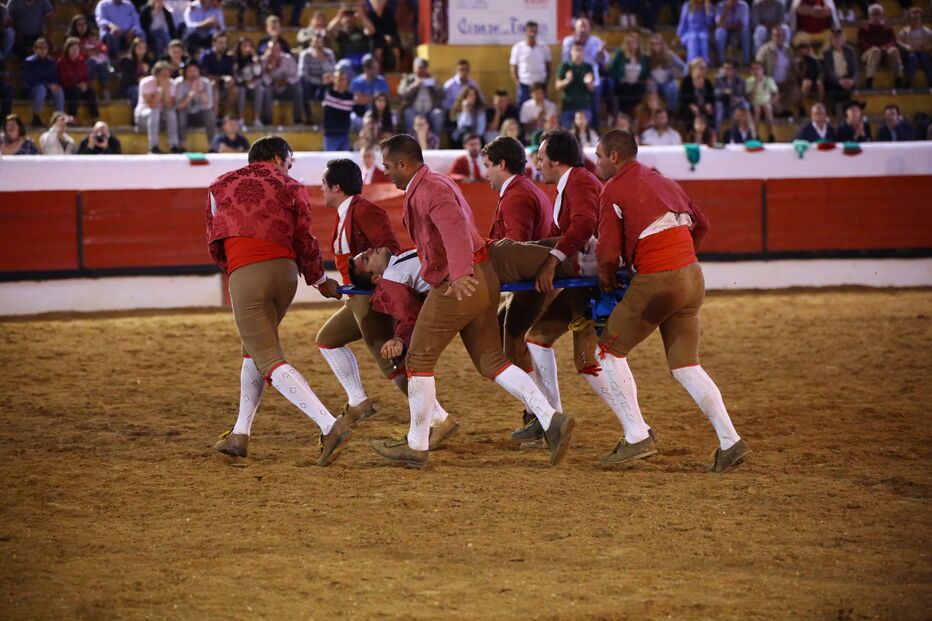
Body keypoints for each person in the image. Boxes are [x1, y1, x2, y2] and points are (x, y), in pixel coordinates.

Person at [370, 134, 576, 468]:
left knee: (419, 357)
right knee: (491, 361)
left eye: (389, 166)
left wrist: (461, 272)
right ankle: (551, 418)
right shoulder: (436, 184)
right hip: (481, 277)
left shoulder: (430, 189)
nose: (387, 172)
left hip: (458, 282)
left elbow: (453, 228)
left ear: (404, 164)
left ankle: (416, 444)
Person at [593, 129, 748, 473]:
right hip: (693, 276)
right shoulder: (665, 182)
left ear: (615, 157)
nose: (597, 162)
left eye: (599, 156)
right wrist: (682, 259)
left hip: (659, 279)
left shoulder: (613, 190)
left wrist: (606, 278)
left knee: (606, 351)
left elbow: (606, 252)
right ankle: (729, 440)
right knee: (687, 365)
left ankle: (636, 436)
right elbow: (702, 224)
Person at [208, 136, 350, 464]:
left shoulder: (219, 185)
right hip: (285, 275)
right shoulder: (292, 186)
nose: (291, 165)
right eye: (289, 159)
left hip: (247, 271)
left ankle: (330, 425)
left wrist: (237, 272)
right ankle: (240, 433)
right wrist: (317, 279)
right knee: (253, 350)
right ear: (275, 158)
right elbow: (304, 237)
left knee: (268, 356)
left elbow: (213, 239)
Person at [510, 128, 601, 445]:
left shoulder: (581, 181)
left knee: (590, 361)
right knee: (537, 339)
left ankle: (638, 430)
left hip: (596, 285)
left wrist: (550, 260)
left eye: (541, 157)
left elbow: (584, 226)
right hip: (584, 282)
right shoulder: (572, 184)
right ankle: (553, 422)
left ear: (557, 160)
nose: (537, 164)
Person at [314, 157, 406, 426]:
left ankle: (437, 417)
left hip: (370, 299)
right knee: (327, 340)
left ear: (337, 187)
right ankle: (357, 400)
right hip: (356, 298)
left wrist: (383, 295)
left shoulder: (365, 211)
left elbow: (389, 249)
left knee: (390, 362)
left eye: (323, 184)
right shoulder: (349, 212)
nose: (320, 188)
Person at [481, 135, 554, 377]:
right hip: (535, 279)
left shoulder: (516, 196)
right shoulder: (522, 190)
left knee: (512, 341)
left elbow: (516, 248)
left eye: (487, 166)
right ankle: (540, 408)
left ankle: (539, 410)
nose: (486, 174)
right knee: (505, 330)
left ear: (501, 164)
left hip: (532, 282)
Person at [560, 18, 607, 126]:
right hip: (574, 80)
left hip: (592, 80)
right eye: (580, 26)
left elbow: (605, 60)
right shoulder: (569, 41)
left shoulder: (596, 41)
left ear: (589, 28)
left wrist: (601, 53)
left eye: (585, 26)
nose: (583, 29)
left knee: (594, 111)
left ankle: (593, 135)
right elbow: (565, 60)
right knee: (573, 114)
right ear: (575, 28)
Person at [135, 60, 181, 153]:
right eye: (163, 75)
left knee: (171, 113)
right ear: (156, 75)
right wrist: (160, 89)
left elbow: (169, 105)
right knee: (154, 112)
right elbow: (152, 105)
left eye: (168, 75)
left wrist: (166, 90)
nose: (166, 78)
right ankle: (153, 147)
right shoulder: (146, 83)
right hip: (143, 116)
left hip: (161, 118)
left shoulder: (171, 84)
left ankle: (174, 145)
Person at [756, 26, 800, 117]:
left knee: (796, 92)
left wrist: (793, 80)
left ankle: (781, 110)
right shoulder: (764, 50)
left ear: (784, 37)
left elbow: (793, 68)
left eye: (781, 35)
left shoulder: (788, 50)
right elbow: (758, 68)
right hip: (769, 84)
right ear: (772, 37)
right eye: (776, 35)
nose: (779, 37)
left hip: (784, 83)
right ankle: (780, 112)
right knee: (768, 95)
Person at [857, 4, 903, 89]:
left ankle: (898, 79)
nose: (876, 17)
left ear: (882, 15)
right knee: (875, 51)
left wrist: (886, 47)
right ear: (869, 15)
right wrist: (873, 47)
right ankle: (869, 80)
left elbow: (893, 40)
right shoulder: (863, 28)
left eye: (878, 14)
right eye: (873, 14)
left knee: (894, 50)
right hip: (869, 53)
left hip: (885, 51)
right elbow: (861, 43)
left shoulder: (888, 28)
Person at [68, 15, 112, 102]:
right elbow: (77, 53)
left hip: (95, 62)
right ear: (75, 26)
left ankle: (105, 91)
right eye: (79, 25)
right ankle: (90, 91)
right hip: (78, 64)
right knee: (91, 62)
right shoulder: (71, 39)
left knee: (102, 64)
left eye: (84, 24)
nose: (82, 27)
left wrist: (95, 50)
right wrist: (89, 52)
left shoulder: (91, 37)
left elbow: (103, 49)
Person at [174, 59, 216, 150]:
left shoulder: (205, 82)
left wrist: (201, 91)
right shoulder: (178, 82)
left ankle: (212, 145)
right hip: (185, 115)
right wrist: (191, 93)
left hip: (200, 115)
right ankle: (182, 145)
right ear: (185, 72)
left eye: (195, 70)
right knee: (181, 114)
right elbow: (178, 105)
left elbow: (208, 105)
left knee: (210, 114)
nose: (192, 73)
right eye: (189, 70)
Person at [22, 38, 63, 128]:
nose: (42, 50)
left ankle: (59, 118)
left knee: (58, 89)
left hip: (48, 90)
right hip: (32, 90)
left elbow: (55, 77)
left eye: (44, 48)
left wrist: (54, 85)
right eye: (40, 48)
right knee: (41, 89)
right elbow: (29, 80)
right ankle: (36, 117)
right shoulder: (29, 62)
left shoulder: (51, 62)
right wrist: (47, 85)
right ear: (35, 49)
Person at [398, 57, 444, 135]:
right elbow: (402, 95)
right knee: (408, 112)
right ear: (414, 67)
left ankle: (436, 140)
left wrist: (437, 87)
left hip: (429, 112)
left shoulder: (432, 80)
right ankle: (410, 139)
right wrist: (414, 86)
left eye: (424, 68)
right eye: (420, 67)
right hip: (414, 112)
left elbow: (441, 96)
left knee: (438, 114)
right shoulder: (408, 80)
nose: (422, 70)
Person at [58, 37, 100, 123]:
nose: (75, 51)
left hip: (80, 87)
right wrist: (76, 85)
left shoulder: (81, 61)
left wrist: (85, 84)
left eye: (77, 48)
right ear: (67, 49)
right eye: (72, 48)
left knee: (91, 92)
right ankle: (73, 118)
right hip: (67, 88)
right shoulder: (62, 61)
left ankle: (95, 118)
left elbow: (85, 77)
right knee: (75, 92)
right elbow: (63, 79)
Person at [556, 40, 596, 129]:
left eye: (581, 50)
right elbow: (557, 86)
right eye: (576, 50)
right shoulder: (565, 66)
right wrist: (567, 80)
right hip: (568, 108)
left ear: (584, 52)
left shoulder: (588, 67)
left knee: (584, 135)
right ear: (571, 51)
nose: (578, 53)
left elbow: (592, 89)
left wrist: (588, 83)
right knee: (566, 137)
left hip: (584, 107)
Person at [510, 20, 551, 107]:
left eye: (535, 31)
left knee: (542, 109)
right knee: (522, 109)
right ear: (525, 32)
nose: (533, 33)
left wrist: (545, 84)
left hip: (541, 84)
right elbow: (513, 69)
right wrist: (519, 84)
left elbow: (549, 68)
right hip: (525, 85)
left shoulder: (544, 47)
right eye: (530, 31)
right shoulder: (518, 47)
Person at [199, 32, 238, 121]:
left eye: (224, 43)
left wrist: (230, 80)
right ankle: (214, 117)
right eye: (220, 43)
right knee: (214, 85)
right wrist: (222, 78)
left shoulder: (228, 58)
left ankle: (225, 116)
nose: (223, 45)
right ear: (214, 43)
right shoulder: (206, 56)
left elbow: (231, 75)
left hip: (223, 85)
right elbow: (206, 75)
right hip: (207, 86)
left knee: (235, 90)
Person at [263, 40, 304, 125]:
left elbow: (296, 76)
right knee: (266, 90)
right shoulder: (263, 60)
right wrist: (272, 66)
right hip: (272, 89)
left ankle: (298, 118)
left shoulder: (288, 58)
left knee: (298, 88)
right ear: (267, 50)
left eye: (276, 50)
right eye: (272, 50)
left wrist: (284, 82)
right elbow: (263, 78)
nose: (274, 53)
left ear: (280, 50)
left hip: (286, 89)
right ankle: (268, 120)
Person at [297, 33, 335, 125]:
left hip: (326, 83)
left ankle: (329, 118)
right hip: (311, 83)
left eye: (320, 42)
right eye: (316, 42)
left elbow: (333, 71)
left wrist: (323, 60)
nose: (318, 45)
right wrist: (319, 81)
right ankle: (308, 116)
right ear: (311, 43)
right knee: (302, 84)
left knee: (334, 85)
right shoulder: (305, 54)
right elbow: (303, 74)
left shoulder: (329, 53)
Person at [609, 32, 649, 117]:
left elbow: (646, 72)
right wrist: (620, 77)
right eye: (629, 42)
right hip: (624, 82)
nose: (631, 45)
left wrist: (643, 79)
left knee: (640, 89)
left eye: (633, 42)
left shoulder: (644, 57)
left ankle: (629, 113)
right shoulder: (620, 54)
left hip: (637, 82)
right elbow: (612, 69)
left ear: (638, 44)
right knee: (625, 88)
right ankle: (624, 113)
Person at [234, 37, 271, 127]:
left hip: (253, 87)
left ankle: (256, 119)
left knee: (259, 88)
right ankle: (241, 119)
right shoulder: (236, 60)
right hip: (242, 86)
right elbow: (236, 77)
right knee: (241, 90)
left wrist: (255, 57)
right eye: (245, 46)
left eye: (250, 46)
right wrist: (244, 82)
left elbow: (258, 73)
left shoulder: (254, 59)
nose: (248, 48)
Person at [327, 4, 374, 72]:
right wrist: (339, 16)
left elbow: (371, 30)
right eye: (345, 17)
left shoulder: (361, 29)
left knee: (369, 59)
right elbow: (330, 29)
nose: (348, 19)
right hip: (348, 58)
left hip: (363, 56)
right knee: (342, 64)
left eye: (350, 17)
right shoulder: (340, 32)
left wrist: (362, 16)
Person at [822, 28, 859, 116]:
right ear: (831, 40)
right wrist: (838, 81)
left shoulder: (850, 51)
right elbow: (828, 71)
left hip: (847, 79)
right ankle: (837, 110)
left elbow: (855, 68)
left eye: (839, 38)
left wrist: (852, 80)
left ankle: (849, 111)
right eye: (834, 39)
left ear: (843, 39)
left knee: (848, 90)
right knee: (835, 91)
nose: (837, 41)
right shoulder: (827, 53)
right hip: (834, 81)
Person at [647, 33, 687, 110]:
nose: (655, 46)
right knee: (650, 88)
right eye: (653, 44)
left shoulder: (670, 55)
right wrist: (647, 79)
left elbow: (684, 67)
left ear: (662, 44)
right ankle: (652, 112)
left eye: (658, 44)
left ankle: (671, 111)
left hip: (667, 81)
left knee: (671, 88)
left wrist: (681, 74)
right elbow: (644, 71)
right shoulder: (648, 57)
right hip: (654, 81)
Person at [349, 57, 388, 131]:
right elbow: (360, 100)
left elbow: (383, 98)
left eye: (377, 68)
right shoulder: (356, 82)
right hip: (360, 113)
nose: (378, 71)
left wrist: (367, 98)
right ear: (366, 69)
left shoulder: (382, 80)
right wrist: (375, 98)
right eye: (375, 68)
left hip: (379, 113)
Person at [899, 7, 932, 89]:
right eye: (912, 18)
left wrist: (928, 47)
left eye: (917, 18)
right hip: (910, 54)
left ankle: (931, 80)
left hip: (923, 52)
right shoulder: (905, 31)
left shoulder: (927, 31)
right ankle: (908, 82)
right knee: (912, 57)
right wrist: (906, 46)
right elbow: (898, 42)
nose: (915, 20)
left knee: (925, 58)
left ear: (921, 19)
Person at [746, 60, 778, 141]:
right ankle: (756, 136)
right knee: (757, 109)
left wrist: (768, 102)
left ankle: (771, 135)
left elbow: (776, 95)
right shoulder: (748, 81)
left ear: (763, 70)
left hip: (767, 103)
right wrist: (755, 84)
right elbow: (750, 98)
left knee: (767, 108)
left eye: (758, 68)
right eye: (754, 69)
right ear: (751, 71)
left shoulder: (769, 80)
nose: (756, 71)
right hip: (754, 104)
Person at [678, 57, 715, 126]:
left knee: (711, 111)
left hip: (703, 107)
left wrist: (708, 104)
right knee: (690, 112)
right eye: (701, 68)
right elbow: (683, 98)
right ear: (693, 69)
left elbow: (711, 97)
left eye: (705, 68)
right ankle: (691, 133)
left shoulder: (707, 82)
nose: (704, 70)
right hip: (690, 106)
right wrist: (691, 105)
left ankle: (711, 133)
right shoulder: (686, 81)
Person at [322, 68, 352, 150]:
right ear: (334, 80)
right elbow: (317, 97)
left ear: (347, 81)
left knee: (345, 162)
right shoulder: (327, 92)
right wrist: (323, 84)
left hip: (344, 135)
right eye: (339, 79)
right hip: (330, 136)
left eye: (344, 80)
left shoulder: (351, 97)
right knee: (330, 161)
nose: (341, 82)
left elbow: (360, 112)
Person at [714, 0, 751, 66]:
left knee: (746, 32)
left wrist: (727, 26)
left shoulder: (744, 5)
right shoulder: (720, 5)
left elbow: (744, 24)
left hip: (737, 30)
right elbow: (719, 24)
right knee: (719, 32)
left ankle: (746, 62)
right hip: (725, 31)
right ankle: (720, 61)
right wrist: (727, 8)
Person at [366, 0, 400, 71]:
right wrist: (384, 36)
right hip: (376, 39)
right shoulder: (370, 15)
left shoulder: (389, 14)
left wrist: (390, 36)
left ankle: (397, 69)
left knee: (396, 50)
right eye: (377, 2)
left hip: (389, 37)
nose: (379, 3)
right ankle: (379, 69)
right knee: (379, 51)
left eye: (381, 2)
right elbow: (373, 31)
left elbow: (393, 27)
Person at [714, 59, 746, 130]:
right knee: (718, 105)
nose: (726, 70)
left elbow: (740, 93)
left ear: (734, 70)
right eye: (724, 68)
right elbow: (716, 93)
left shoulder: (740, 80)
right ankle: (717, 131)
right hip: (724, 103)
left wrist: (732, 94)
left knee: (744, 104)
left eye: (728, 68)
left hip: (736, 103)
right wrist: (723, 91)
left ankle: (745, 132)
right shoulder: (719, 79)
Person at [118, 37, 152, 104]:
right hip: (130, 87)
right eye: (139, 47)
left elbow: (153, 76)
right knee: (137, 91)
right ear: (134, 48)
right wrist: (138, 79)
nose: (141, 50)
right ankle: (137, 113)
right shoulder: (126, 61)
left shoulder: (149, 61)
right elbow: (126, 77)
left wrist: (147, 72)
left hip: (146, 86)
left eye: (143, 48)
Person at [797, 42, 824, 113]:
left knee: (819, 84)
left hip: (814, 78)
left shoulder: (816, 59)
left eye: (806, 49)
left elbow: (818, 71)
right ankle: (801, 107)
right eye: (802, 49)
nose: (804, 51)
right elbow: (799, 74)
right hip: (802, 80)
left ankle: (820, 106)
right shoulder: (799, 60)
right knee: (807, 83)